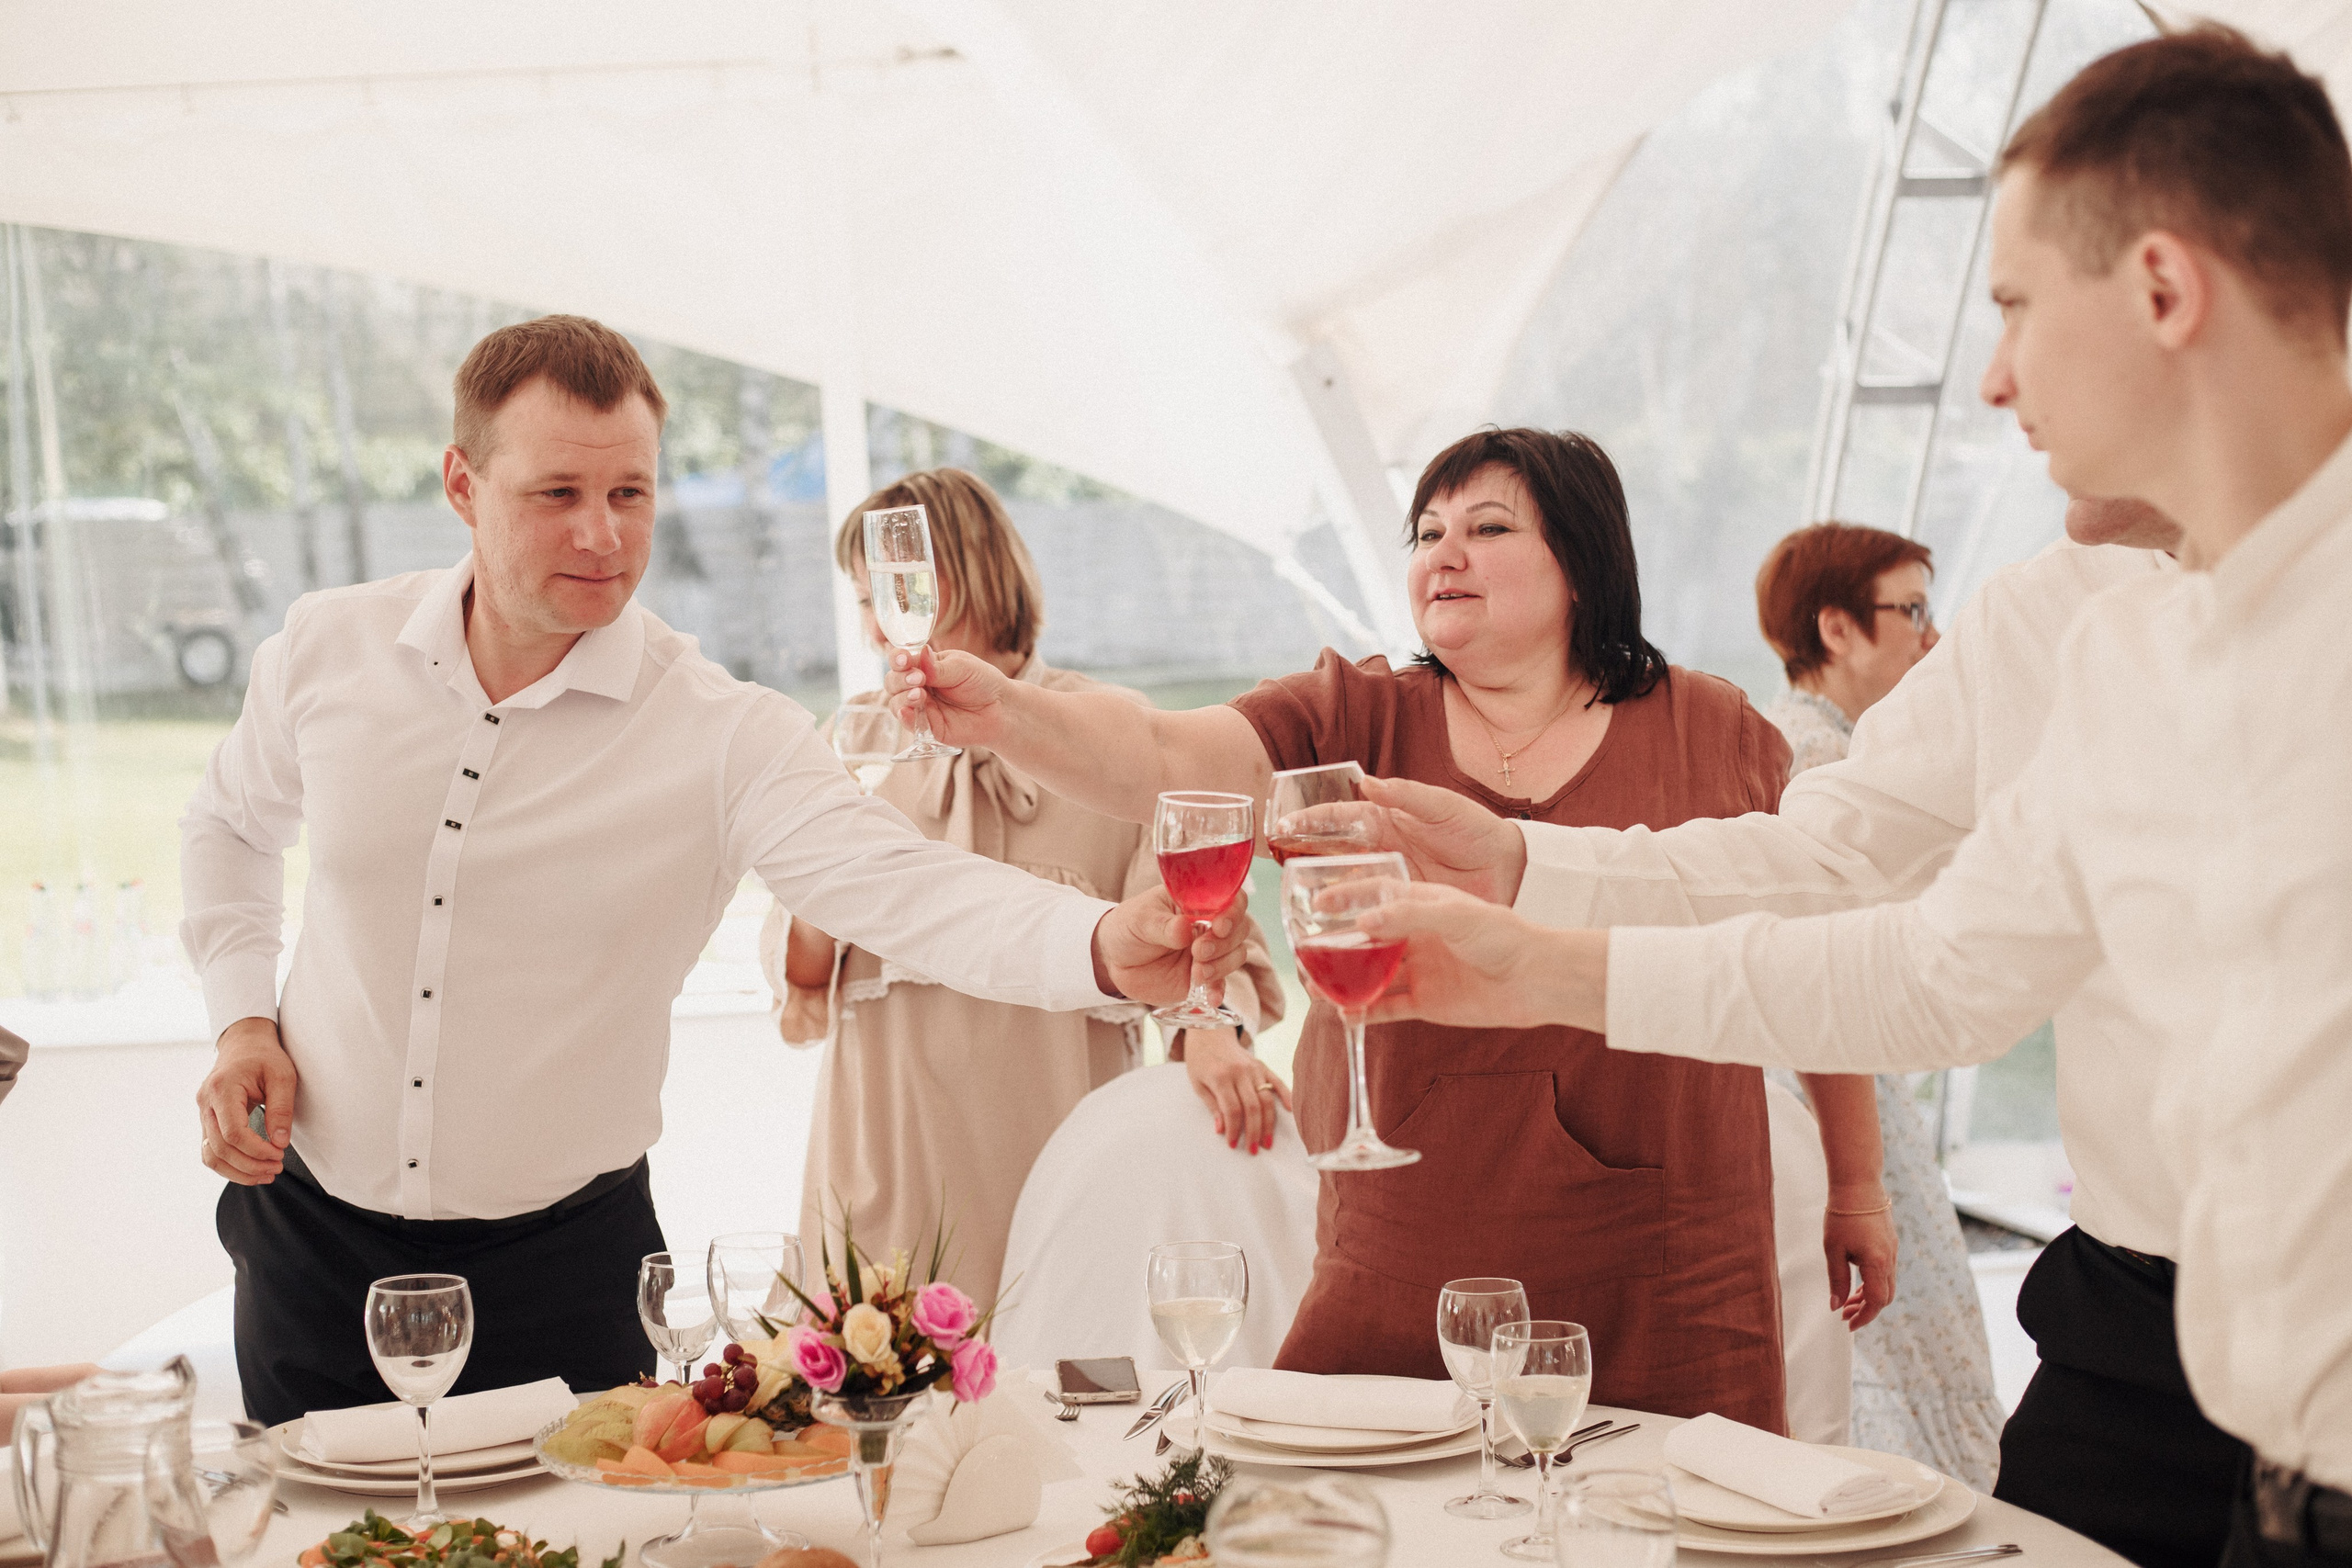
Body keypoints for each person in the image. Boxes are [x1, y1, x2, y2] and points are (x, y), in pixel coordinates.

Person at [1339, 29, 2352, 1568]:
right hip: (2190, 1382)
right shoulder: (2122, 649)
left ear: (2160, 292)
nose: (1995, 372)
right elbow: (1930, 958)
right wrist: (1537, 928)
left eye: (2014, 306)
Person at [178, 317, 1250, 1428]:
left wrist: (1099, 949)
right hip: (306, 1241)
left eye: (631, 495)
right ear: (462, 483)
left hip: (563, 1272)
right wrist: (242, 1024)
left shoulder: (722, 734)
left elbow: (910, 889)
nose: (602, 535)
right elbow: (226, 825)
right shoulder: (324, 649)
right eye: (557, 494)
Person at [886, 426, 1896, 1431]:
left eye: (1486, 526)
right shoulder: (1348, 718)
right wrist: (1007, 715)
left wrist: (1856, 1185)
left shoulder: (1714, 733)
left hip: (1671, 1259)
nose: (1441, 553)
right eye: (1424, 532)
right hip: (1406, 1244)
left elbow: (1806, 956)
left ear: (1583, 562)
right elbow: (1158, 749)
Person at [762, 467, 1286, 1309]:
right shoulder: (857, 738)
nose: (873, 621)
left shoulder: (1101, 733)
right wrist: (823, 882)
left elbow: (1201, 937)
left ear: (966, 571)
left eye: (890, 588)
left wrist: (1213, 1034)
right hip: (889, 1166)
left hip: (1061, 1152)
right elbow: (801, 971)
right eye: (863, 597)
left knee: (1070, 1404)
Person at [1751, 523, 2004, 1492]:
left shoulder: (1814, 744)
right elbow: (1832, 966)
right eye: (1910, 611)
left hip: (1828, 1079)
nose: (1929, 638)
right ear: (1836, 628)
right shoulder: (1819, 764)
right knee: (1909, 1337)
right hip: (1836, 1084)